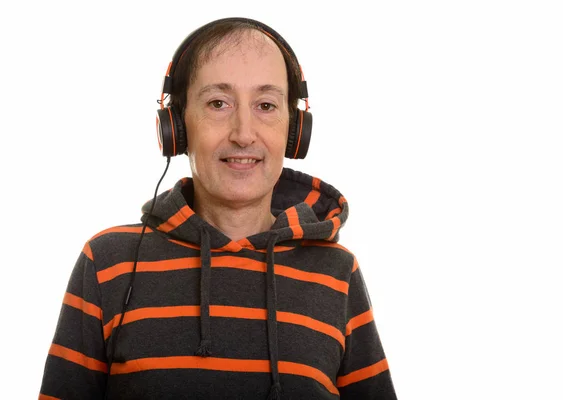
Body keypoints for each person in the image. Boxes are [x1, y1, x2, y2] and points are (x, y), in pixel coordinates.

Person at [38, 17, 397, 400]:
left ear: (294, 131)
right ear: (176, 126)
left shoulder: (337, 272)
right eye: (218, 103)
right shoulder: (108, 262)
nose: (243, 133)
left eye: (265, 105)